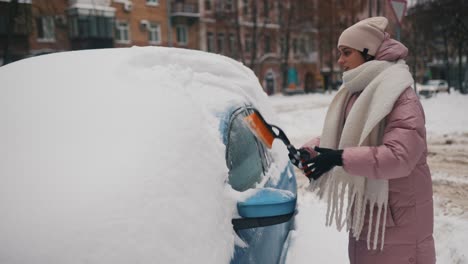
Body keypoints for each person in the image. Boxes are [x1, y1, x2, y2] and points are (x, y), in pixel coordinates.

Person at [296, 17, 435, 263]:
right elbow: (342, 136)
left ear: (367, 52)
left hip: (399, 219)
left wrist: (340, 158)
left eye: (346, 52)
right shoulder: (359, 92)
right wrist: (311, 152)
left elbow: (399, 157)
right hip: (373, 216)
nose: (340, 60)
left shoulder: (401, 96)